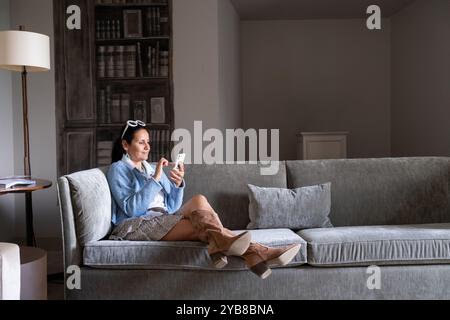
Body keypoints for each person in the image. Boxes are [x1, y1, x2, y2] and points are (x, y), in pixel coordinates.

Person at [107, 120, 301, 279]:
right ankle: (258, 252)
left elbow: (172, 206)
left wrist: (178, 184)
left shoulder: (148, 168)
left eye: (148, 141)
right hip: (137, 225)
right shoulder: (118, 169)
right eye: (141, 142)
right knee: (202, 226)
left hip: (161, 219)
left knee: (199, 200)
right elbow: (132, 209)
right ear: (125, 145)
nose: (148, 147)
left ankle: (224, 249)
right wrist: (156, 179)